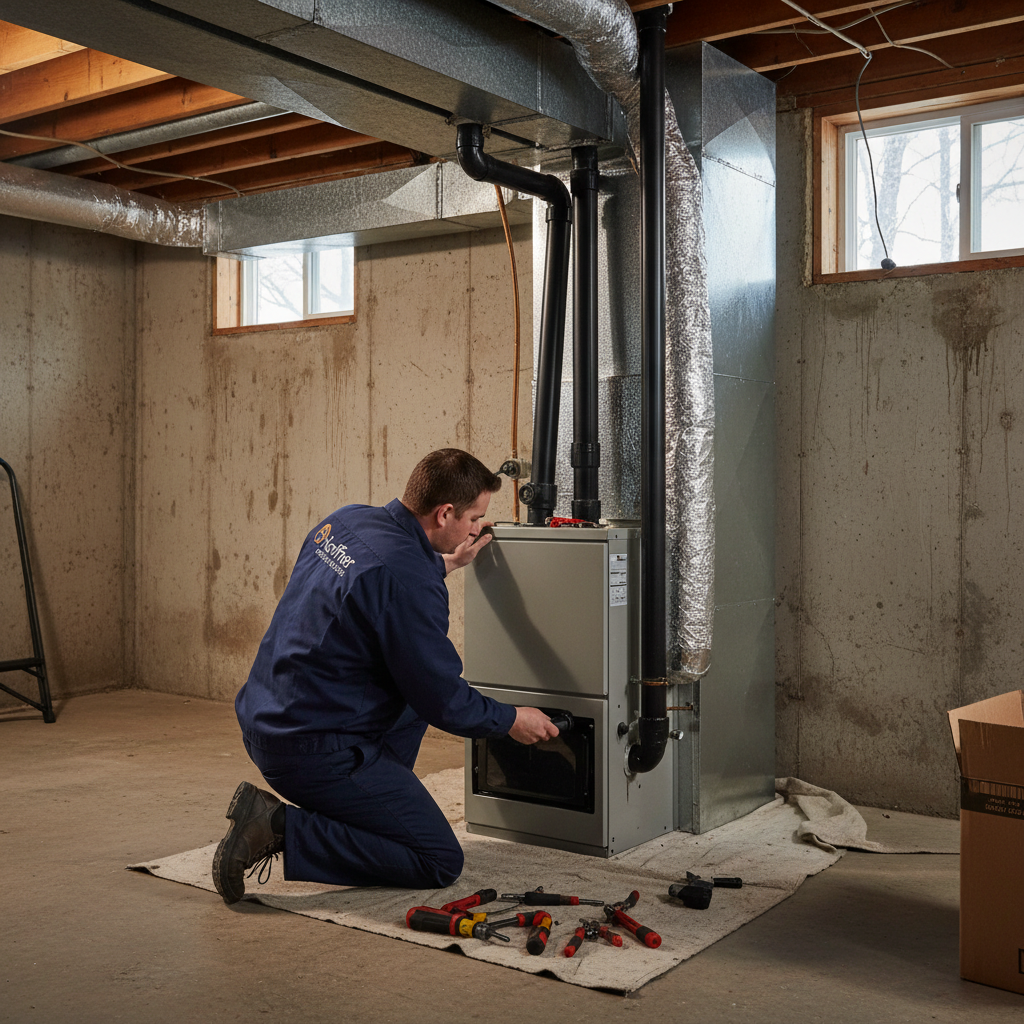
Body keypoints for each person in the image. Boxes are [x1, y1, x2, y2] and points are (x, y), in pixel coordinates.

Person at [213, 448, 559, 903]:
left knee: (406, 699)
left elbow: (381, 580)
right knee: (437, 860)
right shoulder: (408, 580)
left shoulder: (349, 520)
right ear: (445, 513)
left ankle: (375, 806)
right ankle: (278, 824)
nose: (477, 529)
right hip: (309, 750)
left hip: (268, 717)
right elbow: (445, 701)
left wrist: (442, 565)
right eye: (475, 517)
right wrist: (513, 719)